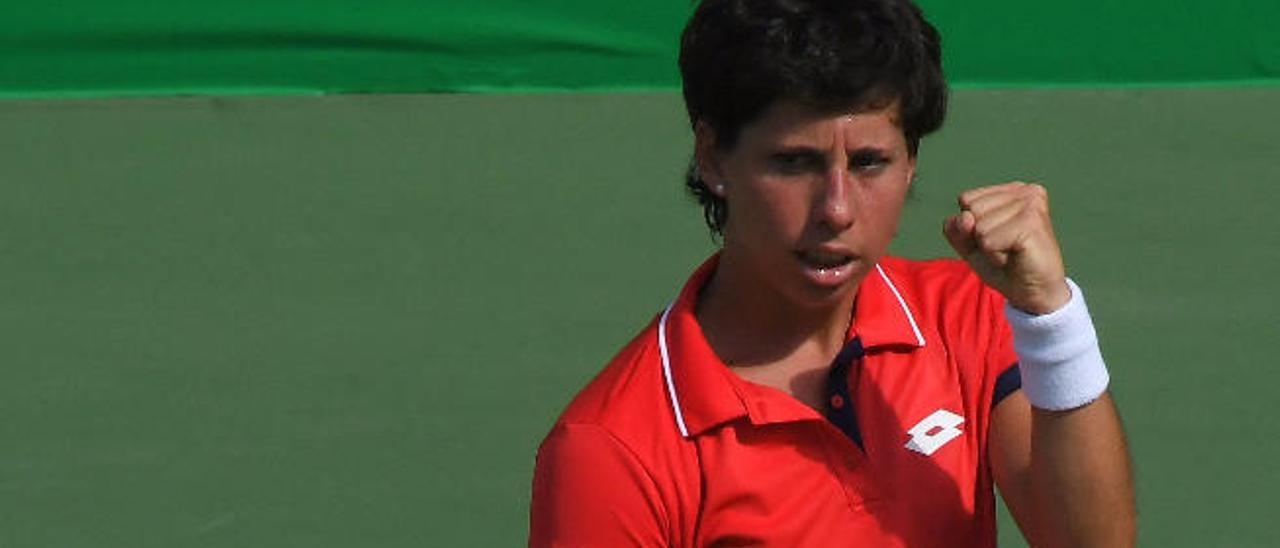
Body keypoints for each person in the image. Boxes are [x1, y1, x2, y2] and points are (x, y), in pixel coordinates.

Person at [530, 0, 1136, 545]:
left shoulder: (965, 317)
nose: (837, 210)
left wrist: (1050, 315)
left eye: (870, 162)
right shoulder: (611, 450)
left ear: (913, 163)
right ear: (713, 157)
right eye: (795, 163)